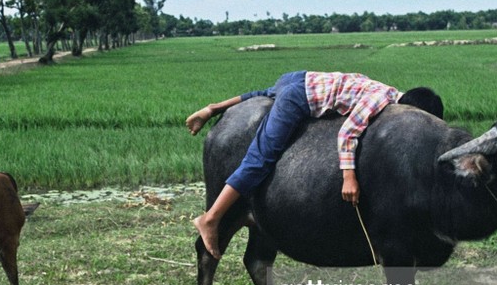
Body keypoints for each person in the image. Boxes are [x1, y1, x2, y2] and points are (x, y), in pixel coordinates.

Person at [187, 70, 442, 259]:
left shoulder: (387, 91)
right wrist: (349, 176)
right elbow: (347, 133)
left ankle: (212, 108)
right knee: (260, 158)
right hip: (300, 95)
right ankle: (211, 219)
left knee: (265, 94)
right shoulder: (380, 102)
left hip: (300, 78)